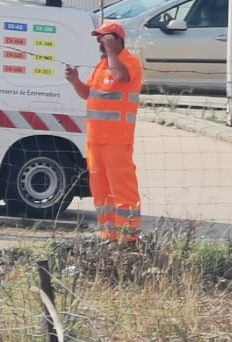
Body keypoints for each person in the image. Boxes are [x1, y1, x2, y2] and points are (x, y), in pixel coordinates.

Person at [65, 21, 143, 245]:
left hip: (117, 141)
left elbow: (121, 77)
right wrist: (75, 82)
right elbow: (88, 94)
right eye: (99, 38)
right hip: (96, 141)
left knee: (123, 190)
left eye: (104, 37)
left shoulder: (129, 63)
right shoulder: (102, 65)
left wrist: (111, 52)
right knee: (101, 191)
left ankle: (129, 238)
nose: (100, 41)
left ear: (118, 40)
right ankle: (109, 236)